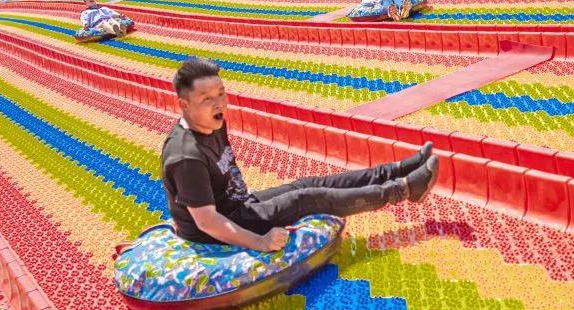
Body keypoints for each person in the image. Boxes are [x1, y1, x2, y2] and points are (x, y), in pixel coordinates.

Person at [161, 58, 438, 250]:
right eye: (206, 98)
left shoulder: (212, 120)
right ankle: (403, 189)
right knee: (305, 198)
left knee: (307, 184)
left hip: (239, 205)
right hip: (217, 228)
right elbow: (207, 221)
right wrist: (259, 242)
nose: (219, 102)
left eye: (221, 93)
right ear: (184, 105)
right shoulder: (186, 157)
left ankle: (399, 169)